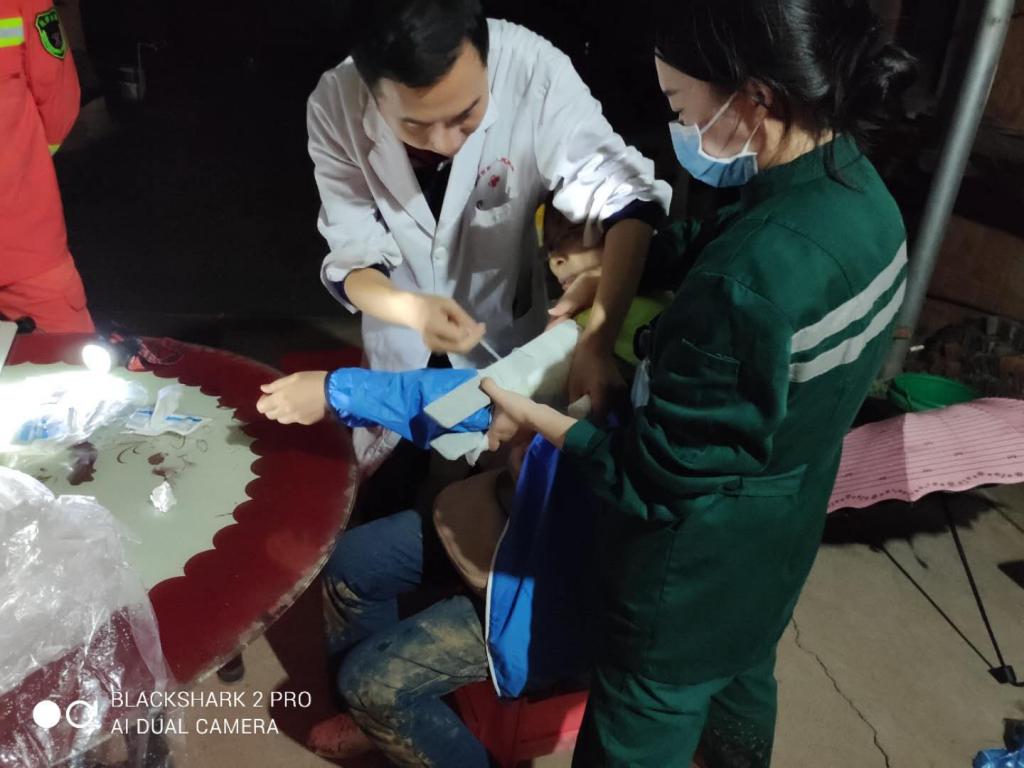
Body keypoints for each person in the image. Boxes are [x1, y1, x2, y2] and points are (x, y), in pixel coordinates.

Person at [482, 1, 916, 765]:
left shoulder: (746, 287)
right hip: (774, 547)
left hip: (684, 585)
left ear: (756, 98)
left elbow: (651, 476)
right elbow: (719, 239)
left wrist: (537, 417)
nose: (677, 124)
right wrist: (621, 274)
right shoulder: (858, 195)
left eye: (681, 105)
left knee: (646, 721)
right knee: (741, 692)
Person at [302, 0, 670, 472]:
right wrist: (407, 308)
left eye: (466, 115)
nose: (446, 143)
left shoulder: (532, 71)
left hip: (504, 340)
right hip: (398, 345)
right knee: (396, 471)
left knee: (496, 466)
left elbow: (627, 200)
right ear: (371, 93)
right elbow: (352, 253)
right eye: (414, 125)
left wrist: (599, 340)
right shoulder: (336, 104)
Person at [0, 0, 93, 333]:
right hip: (23, 235)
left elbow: (58, 98)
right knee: (66, 363)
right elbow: (58, 97)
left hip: (23, 239)